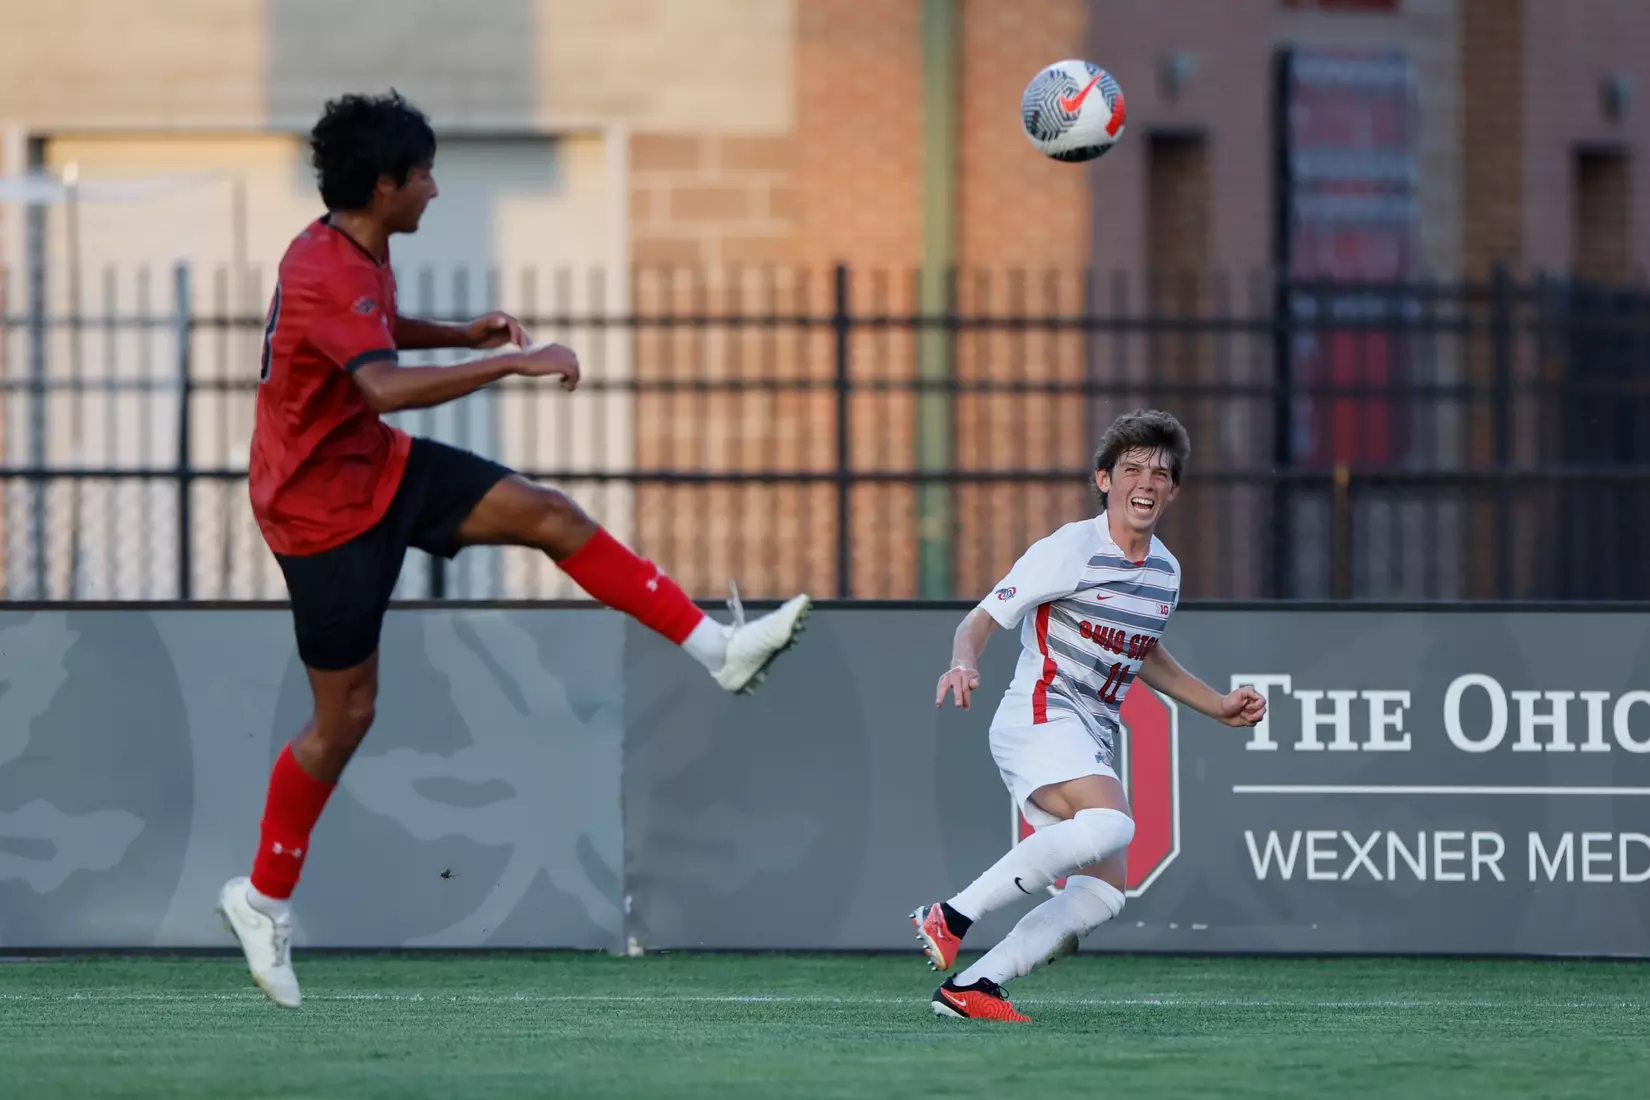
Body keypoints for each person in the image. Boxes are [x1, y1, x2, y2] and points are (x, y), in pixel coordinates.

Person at [218, 91, 811, 1008]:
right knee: (345, 720)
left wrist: (461, 334)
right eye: (424, 174)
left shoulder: (354, 247)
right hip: (319, 515)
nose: (436, 188)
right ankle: (261, 899)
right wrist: (511, 362)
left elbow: (368, 338)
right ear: (384, 185)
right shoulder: (326, 267)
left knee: (548, 514)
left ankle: (719, 649)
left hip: (378, 470)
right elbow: (376, 384)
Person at [912, 409, 1266, 1022]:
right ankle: (952, 914)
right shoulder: (1069, 548)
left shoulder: (1165, 572)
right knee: (1111, 824)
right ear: (1104, 480)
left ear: (1174, 489)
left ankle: (972, 988)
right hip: (1039, 717)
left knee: (1102, 893)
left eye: (1160, 473)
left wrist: (1217, 705)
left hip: (1085, 734)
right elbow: (980, 620)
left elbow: (1145, 651)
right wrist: (961, 661)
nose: (1146, 483)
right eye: (1132, 469)